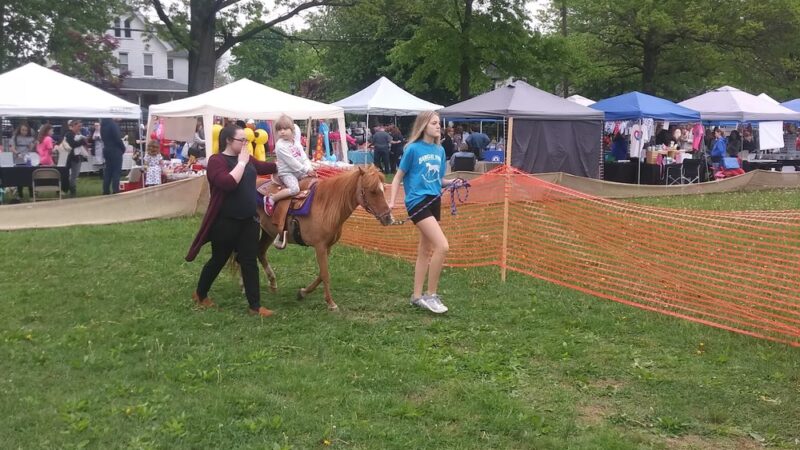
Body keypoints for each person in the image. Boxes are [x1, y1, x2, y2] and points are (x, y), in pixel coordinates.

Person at [185, 124, 278, 317]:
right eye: (242, 140)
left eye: (247, 140)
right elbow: (227, 183)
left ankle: (255, 306)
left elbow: (268, 167)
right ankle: (200, 294)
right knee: (218, 259)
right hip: (225, 222)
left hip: (249, 221)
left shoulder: (247, 158)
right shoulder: (216, 161)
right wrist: (242, 163)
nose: (246, 143)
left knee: (249, 261)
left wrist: (294, 161)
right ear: (228, 140)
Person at [388, 111, 455, 314]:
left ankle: (416, 296)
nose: (438, 126)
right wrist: (392, 201)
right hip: (417, 202)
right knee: (442, 246)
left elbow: (439, 179)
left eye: (439, 123)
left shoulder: (440, 151)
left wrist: (452, 183)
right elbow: (398, 177)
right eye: (434, 123)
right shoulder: (412, 149)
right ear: (424, 125)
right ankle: (431, 295)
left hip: (434, 201)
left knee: (425, 251)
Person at [264, 114, 317, 246]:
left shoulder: (296, 143)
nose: (282, 132)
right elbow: (292, 162)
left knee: (313, 183)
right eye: (279, 129)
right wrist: (306, 171)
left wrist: (309, 167)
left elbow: (303, 157)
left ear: (292, 129)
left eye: (285, 129)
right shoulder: (281, 146)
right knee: (295, 189)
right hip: (287, 172)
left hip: (299, 171)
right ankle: (272, 199)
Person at [10, 123, 37, 200]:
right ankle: (20, 195)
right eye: (23, 130)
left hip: (28, 160)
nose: (24, 132)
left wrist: (32, 145)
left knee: (30, 177)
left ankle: (31, 194)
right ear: (19, 130)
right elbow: (12, 148)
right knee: (19, 178)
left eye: (26, 130)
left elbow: (31, 149)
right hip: (18, 160)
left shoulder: (31, 138)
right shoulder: (14, 137)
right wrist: (17, 153)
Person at [100, 118, 126, 195]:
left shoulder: (103, 125)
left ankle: (106, 190)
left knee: (108, 171)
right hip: (115, 149)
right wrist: (123, 148)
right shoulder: (113, 125)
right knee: (116, 171)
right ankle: (115, 190)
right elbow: (117, 138)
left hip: (106, 148)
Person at [64, 119, 89, 197]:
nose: (80, 128)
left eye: (80, 126)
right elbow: (72, 144)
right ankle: (72, 191)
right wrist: (82, 141)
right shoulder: (69, 134)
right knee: (74, 175)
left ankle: (70, 189)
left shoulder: (73, 134)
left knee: (74, 175)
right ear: (73, 126)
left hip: (74, 157)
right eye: (78, 126)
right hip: (72, 157)